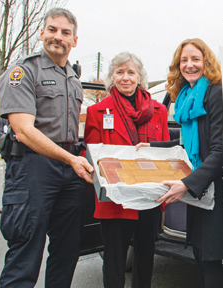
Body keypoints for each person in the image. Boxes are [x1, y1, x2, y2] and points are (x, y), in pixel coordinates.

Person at [0, 8, 94, 288]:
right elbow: (24, 131)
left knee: (67, 251)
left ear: (74, 40)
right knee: (26, 252)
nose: (58, 37)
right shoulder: (23, 71)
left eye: (65, 32)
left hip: (68, 169)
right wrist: (70, 159)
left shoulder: (73, 79)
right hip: (32, 167)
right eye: (52, 29)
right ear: (42, 33)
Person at [84, 51, 170, 288]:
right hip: (116, 199)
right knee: (114, 262)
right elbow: (90, 155)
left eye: (131, 72)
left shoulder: (158, 112)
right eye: (120, 72)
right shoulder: (97, 112)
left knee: (145, 260)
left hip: (148, 197)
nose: (125, 78)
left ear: (139, 77)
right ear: (112, 77)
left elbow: (163, 154)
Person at [156, 38, 223, 288]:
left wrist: (186, 184)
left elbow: (218, 152)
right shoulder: (185, 96)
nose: (190, 65)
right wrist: (151, 147)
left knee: (210, 259)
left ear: (206, 62)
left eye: (196, 59)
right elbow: (184, 144)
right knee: (198, 253)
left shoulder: (214, 92)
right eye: (184, 60)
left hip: (210, 187)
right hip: (196, 185)